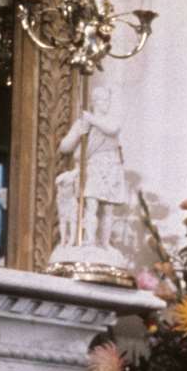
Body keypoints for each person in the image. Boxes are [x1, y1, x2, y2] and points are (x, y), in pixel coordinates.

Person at [57, 85, 127, 250]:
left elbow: (112, 129)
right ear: (95, 101)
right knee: (91, 205)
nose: (106, 104)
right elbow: (64, 147)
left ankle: (104, 243)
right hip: (93, 165)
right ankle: (89, 240)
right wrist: (79, 132)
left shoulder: (111, 119)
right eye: (103, 100)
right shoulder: (83, 122)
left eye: (108, 100)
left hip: (111, 165)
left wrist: (92, 120)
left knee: (108, 207)